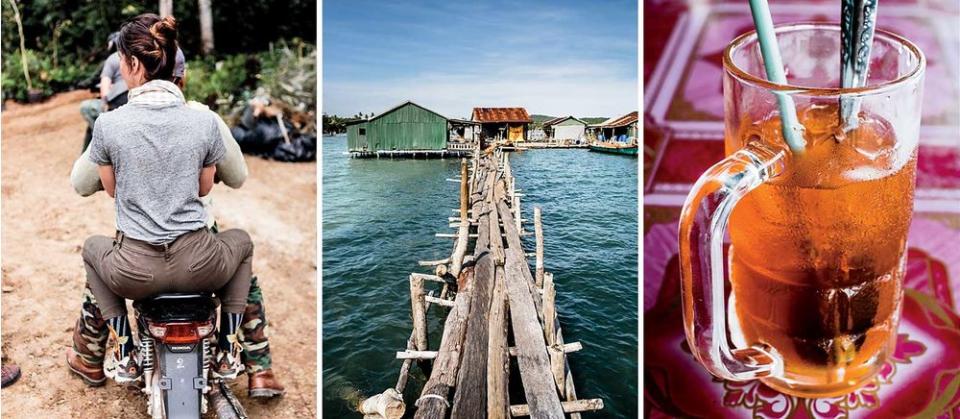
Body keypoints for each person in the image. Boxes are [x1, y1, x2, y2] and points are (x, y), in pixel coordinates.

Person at [66, 22, 283, 399]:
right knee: (242, 259)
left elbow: (88, 185)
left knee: (97, 258)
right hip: (200, 260)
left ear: (133, 65)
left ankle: (108, 352)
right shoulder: (205, 120)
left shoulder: (110, 124)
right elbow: (234, 178)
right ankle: (253, 365)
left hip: (135, 266)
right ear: (180, 76)